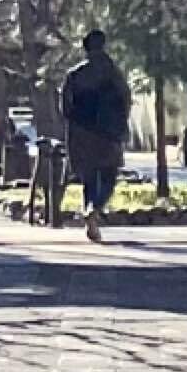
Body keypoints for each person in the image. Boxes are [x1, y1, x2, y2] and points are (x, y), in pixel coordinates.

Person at [57, 28, 132, 240]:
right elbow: (125, 100)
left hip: (82, 134)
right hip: (108, 133)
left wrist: (76, 125)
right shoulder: (113, 73)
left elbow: (65, 107)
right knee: (109, 175)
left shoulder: (75, 75)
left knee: (89, 178)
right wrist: (120, 126)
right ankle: (95, 209)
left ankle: (90, 211)